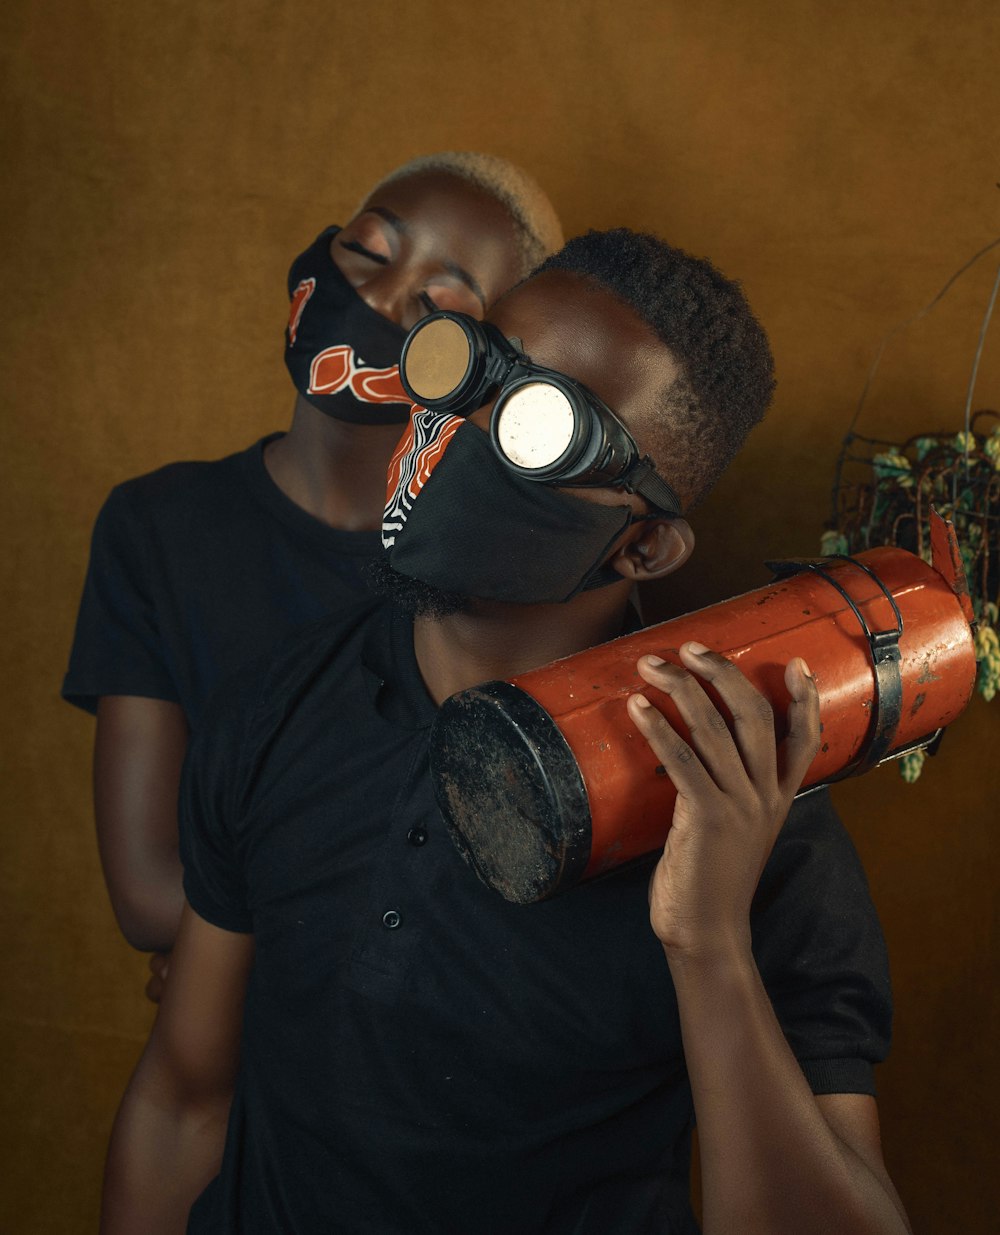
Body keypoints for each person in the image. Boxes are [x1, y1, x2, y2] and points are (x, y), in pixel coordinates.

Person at [100, 229, 912, 1234]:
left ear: (644, 540)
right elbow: (184, 1097)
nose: (459, 433)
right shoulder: (274, 710)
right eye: (472, 372)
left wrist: (705, 940)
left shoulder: (753, 816)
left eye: (535, 423)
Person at [62, 152, 563, 961]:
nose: (384, 295)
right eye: (366, 249)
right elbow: (150, 893)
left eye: (439, 302)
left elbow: (488, 908)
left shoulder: (488, 587)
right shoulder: (158, 525)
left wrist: (227, 942)